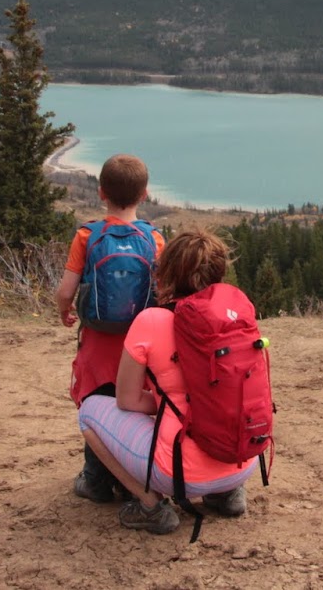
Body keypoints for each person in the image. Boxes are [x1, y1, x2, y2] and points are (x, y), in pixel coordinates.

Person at [78, 228, 256, 535]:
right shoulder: (239, 313)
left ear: (168, 271)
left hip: (178, 473)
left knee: (88, 412)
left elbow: (127, 400)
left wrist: (169, 401)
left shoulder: (152, 320)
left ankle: (150, 505)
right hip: (243, 460)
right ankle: (226, 493)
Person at [55, 154, 164, 504]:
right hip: (141, 345)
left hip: (98, 343)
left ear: (101, 192)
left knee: (97, 405)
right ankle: (137, 479)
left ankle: (97, 481)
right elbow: (164, 295)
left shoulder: (87, 236)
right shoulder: (155, 239)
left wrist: (64, 312)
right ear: (144, 194)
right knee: (136, 408)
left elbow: (66, 291)